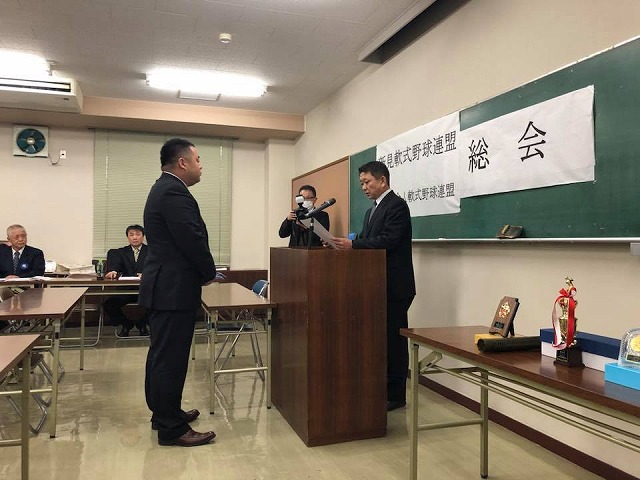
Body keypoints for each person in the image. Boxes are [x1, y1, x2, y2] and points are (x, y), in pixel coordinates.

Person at [139, 138, 217, 447]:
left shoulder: (164, 188)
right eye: (198, 159)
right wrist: (208, 273)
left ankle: (164, 414)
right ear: (182, 162)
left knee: (163, 355)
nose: (201, 165)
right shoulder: (172, 191)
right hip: (172, 290)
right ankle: (171, 428)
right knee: (169, 359)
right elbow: (191, 238)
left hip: (167, 288)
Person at [332, 161, 415, 412]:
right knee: (379, 340)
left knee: (394, 342)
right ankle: (380, 388)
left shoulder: (397, 205)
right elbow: (367, 241)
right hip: (375, 285)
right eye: (361, 183)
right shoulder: (371, 211)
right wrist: (343, 245)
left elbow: (389, 240)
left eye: (367, 182)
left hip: (394, 286)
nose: (364, 187)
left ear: (382, 180)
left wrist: (354, 246)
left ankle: (396, 395)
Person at [103, 224, 149, 337]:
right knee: (109, 304)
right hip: (126, 290)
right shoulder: (120, 252)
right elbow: (115, 266)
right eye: (131, 235)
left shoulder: (152, 251)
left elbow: (157, 267)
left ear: (143, 236)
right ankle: (126, 324)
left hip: (146, 290)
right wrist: (112, 271)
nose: (135, 237)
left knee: (160, 302)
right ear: (127, 237)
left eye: (138, 234)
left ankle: (142, 324)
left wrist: (147, 274)